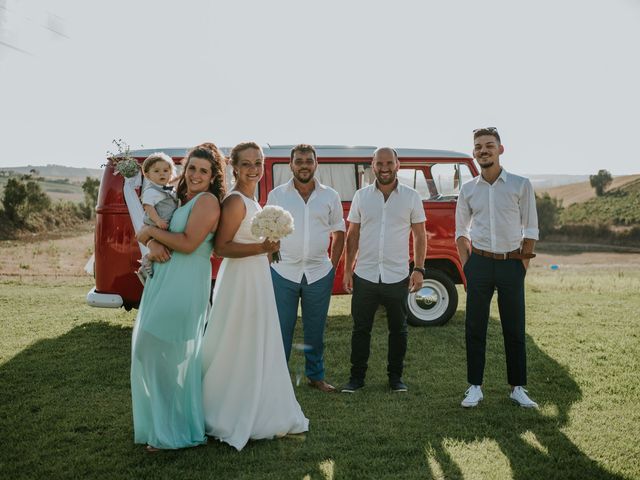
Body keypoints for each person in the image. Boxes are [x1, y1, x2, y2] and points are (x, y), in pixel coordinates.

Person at [201, 142, 309, 451]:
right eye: (246, 163)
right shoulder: (235, 201)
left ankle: (261, 404)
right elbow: (221, 248)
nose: (253, 168)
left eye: (258, 162)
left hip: (257, 276)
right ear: (234, 167)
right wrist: (261, 248)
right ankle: (228, 409)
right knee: (239, 340)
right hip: (241, 280)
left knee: (257, 340)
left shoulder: (253, 200)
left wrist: (268, 247)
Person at [131, 144, 225, 451]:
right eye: (192, 168)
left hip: (186, 283)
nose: (196, 175)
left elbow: (186, 243)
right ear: (184, 170)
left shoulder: (208, 202)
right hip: (164, 280)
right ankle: (166, 425)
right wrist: (150, 240)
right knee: (154, 354)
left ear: (213, 177)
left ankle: (173, 430)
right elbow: (143, 234)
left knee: (158, 350)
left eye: (204, 171)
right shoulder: (178, 199)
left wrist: (152, 236)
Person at [455, 127, 539, 408]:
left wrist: (522, 266)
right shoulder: (467, 190)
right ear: (474, 152)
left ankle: (517, 388)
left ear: (500, 149)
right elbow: (460, 232)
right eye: (478, 146)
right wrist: (469, 267)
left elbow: (531, 227)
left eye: (489, 145)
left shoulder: (520, 184)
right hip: (478, 264)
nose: (483, 150)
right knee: (474, 327)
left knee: (514, 328)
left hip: (511, 264)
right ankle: (475, 387)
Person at [341, 147, 426, 394]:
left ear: (398, 164)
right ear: (373, 165)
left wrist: (419, 268)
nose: (385, 167)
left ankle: (395, 378)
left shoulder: (411, 197)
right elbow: (352, 235)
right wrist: (348, 269)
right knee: (360, 329)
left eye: (389, 162)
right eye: (380, 163)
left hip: (397, 275)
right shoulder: (361, 196)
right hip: (365, 274)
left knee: (398, 330)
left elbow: (420, 236)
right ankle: (356, 378)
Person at [267, 144, 345, 393]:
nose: (304, 165)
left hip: (318, 273)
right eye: (299, 161)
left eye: (308, 161)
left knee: (315, 330)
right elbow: (269, 231)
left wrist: (332, 265)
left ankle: (315, 376)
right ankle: (277, 378)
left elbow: (339, 231)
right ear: (291, 164)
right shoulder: (278, 195)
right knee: (281, 329)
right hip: (283, 272)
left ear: (316, 164)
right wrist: (271, 261)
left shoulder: (330, 195)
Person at [136, 152, 178, 284]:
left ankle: (149, 264)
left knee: (166, 250)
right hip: (156, 224)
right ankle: (145, 264)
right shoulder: (151, 191)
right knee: (162, 248)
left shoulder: (166, 188)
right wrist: (158, 220)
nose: (162, 174)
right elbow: (148, 207)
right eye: (157, 171)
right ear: (147, 175)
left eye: (166, 170)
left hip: (164, 225)